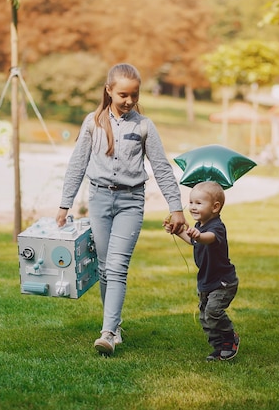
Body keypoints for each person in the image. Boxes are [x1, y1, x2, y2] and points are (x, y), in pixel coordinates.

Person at [56, 63, 186, 356]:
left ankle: (109, 332)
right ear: (109, 91)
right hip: (99, 200)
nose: (129, 101)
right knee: (104, 268)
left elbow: (162, 168)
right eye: (123, 95)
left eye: (134, 95)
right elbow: (77, 165)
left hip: (131, 202)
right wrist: (65, 204)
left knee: (116, 266)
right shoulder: (92, 123)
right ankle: (113, 324)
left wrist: (176, 207)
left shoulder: (144, 126)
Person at [163, 181, 240, 361]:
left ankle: (230, 338)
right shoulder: (199, 226)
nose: (192, 207)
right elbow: (193, 241)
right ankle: (219, 348)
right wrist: (177, 231)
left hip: (223, 282)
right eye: (191, 202)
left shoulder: (216, 227)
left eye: (198, 203)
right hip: (206, 280)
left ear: (215, 207)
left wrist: (199, 235)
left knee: (213, 311)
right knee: (205, 318)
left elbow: (208, 239)